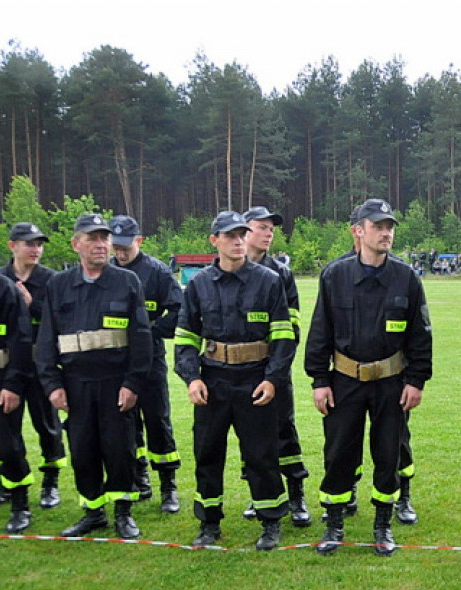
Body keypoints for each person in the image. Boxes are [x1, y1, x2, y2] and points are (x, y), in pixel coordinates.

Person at [306, 198, 432, 557]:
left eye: (390, 226)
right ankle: (334, 524)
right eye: (378, 226)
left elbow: (420, 334)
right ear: (358, 231)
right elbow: (320, 332)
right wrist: (319, 380)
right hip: (344, 380)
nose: (387, 232)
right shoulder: (335, 275)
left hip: (391, 383)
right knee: (339, 453)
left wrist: (416, 380)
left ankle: (382, 525)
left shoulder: (406, 277)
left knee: (388, 453)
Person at [173, 211, 296, 550]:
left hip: (255, 379)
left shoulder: (268, 281)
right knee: (208, 453)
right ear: (214, 241)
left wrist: (273, 380)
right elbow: (185, 337)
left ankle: (270, 522)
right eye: (230, 235)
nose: (238, 240)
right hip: (213, 381)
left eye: (242, 233)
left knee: (261, 453)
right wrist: (192, 379)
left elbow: (284, 336)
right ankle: (209, 524)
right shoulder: (198, 284)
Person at [36, 214, 152, 539]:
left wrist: (133, 383)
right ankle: (93, 511)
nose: (101, 244)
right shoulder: (58, 286)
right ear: (76, 244)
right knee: (83, 450)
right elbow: (46, 341)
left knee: (119, 449)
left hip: (116, 382)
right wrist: (52, 385)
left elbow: (141, 339)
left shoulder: (127, 281)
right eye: (93, 238)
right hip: (75, 386)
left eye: (105, 239)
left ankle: (123, 513)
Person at [238, 206, 311, 529]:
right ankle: (261, 494)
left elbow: (292, 325)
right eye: (262, 227)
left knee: (283, 430)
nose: (269, 233)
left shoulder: (281, 273)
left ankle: (296, 496)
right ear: (244, 231)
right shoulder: (230, 271)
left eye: (271, 229)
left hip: (274, 366)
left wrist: (277, 366)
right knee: (250, 436)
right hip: (239, 370)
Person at [0, 223, 66, 512]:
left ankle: (50, 482)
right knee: (6, 429)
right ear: (12, 246)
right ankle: (6, 484)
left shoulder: (52, 280)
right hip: (8, 368)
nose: (35, 249)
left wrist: (32, 306)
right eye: (29, 243)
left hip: (41, 364)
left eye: (39, 244)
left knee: (47, 425)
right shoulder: (2, 279)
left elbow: (61, 321)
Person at [109, 215, 183, 514]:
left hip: (150, 358)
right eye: (116, 247)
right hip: (116, 360)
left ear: (139, 241)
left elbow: (180, 310)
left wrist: (149, 332)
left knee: (157, 421)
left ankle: (169, 487)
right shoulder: (107, 272)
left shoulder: (157, 273)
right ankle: (140, 477)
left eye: (125, 246)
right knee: (126, 423)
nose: (120, 252)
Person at [0, 220, 34, 533]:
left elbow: (20, 339)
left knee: (7, 445)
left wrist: (13, 384)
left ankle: (19, 504)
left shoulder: (3, 290)